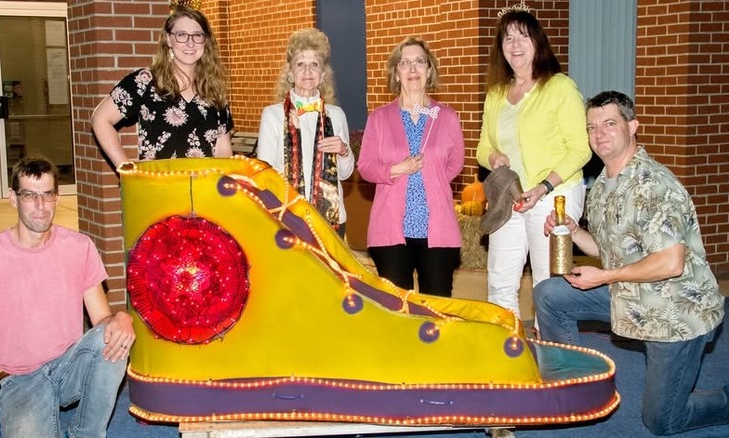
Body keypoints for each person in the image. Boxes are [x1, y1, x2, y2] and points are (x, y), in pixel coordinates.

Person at [534, 91, 728, 436]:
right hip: (630, 296)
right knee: (550, 294)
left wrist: (604, 276)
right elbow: (610, 249)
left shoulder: (654, 185)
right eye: (592, 127)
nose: (599, 134)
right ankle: (575, 383)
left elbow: (670, 262)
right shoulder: (603, 184)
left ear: (633, 126)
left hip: (675, 312)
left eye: (609, 124)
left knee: (663, 420)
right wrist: (574, 232)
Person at [0, 156, 135, 437]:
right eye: (29, 195)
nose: (40, 205)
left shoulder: (79, 247)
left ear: (57, 197)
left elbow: (102, 320)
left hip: (67, 368)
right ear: (13, 198)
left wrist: (121, 318)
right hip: (18, 381)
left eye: (47, 195)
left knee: (113, 336)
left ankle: (86, 434)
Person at [476, 8, 592, 319]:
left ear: (537, 42)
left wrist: (543, 187)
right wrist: (493, 157)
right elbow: (482, 147)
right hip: (510, 199)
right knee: (499, 281)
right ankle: (507, 343)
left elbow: (581, 149)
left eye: (523, 37)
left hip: (554, 196)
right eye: (508, 38)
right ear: (500, 47)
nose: (515, 45)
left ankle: (550, 343)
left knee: (549, 284)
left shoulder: (559, 87)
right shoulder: (496, 94)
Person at [357, 37, 465, 297]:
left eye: (419, 62)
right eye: (405, 63)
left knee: (436, 306)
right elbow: (366, 166)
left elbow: (456, 162)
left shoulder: (446, 117)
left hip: (437, 230)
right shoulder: (379, 118)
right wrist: (397, 169)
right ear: (397, 73)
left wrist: (432, 179)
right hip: (391, 231)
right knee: (397, 308)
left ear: (429, 70)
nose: (413, 69)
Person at [91, 4, 233, 168]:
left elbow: (223, 151)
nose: (190, 43)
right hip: (156, 183)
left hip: (204, 183)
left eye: (197, 35)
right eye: (181, 35)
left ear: (205, 40)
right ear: (168, 39)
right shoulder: (145, 81)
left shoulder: (213, 88)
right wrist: (127, 169)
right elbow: (100, 119)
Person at [257, 28, 354, 236]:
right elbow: (265, 175)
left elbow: (345, 174)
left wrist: (344, 151)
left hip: (332, 221)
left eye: (314, 64)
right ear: (290, 73)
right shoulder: (272, 115)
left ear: (323, 74)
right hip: (287, 219)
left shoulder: (336, 115)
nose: (307, 71)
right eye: (300, 64)